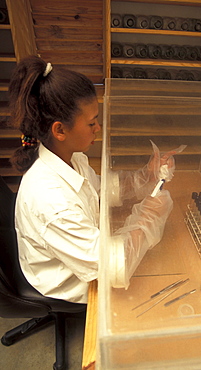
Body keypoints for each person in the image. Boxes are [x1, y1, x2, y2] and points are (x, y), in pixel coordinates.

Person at [9, 55, 175, 304]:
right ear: (60, 130)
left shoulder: (69, 156)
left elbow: (98, 189)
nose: (98, 128)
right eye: (91, 122)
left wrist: (145, 177)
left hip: (79, 252)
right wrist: (149, 218)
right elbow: (115, 266)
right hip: (64, 283)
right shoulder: (52, 202)